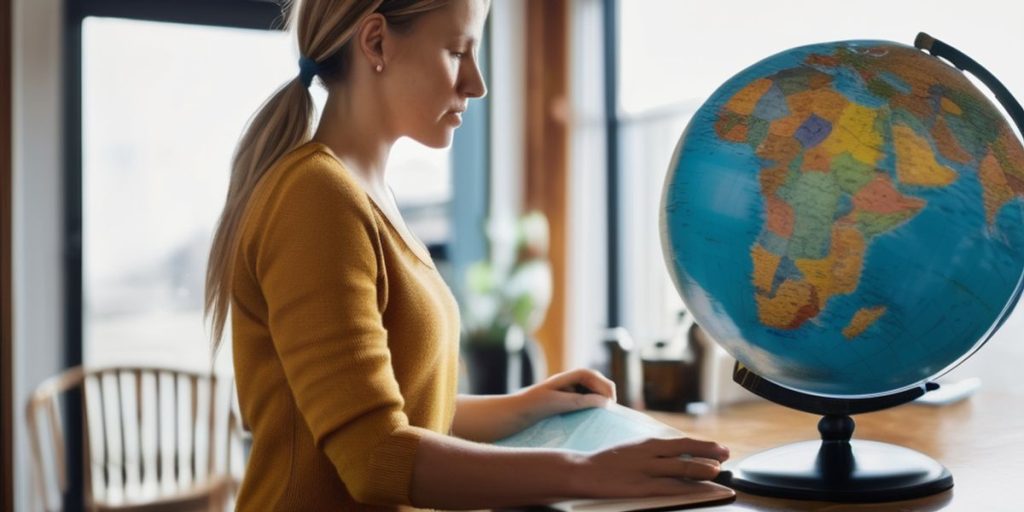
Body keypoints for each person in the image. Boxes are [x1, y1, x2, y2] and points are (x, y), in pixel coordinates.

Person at [204, 0, 729, 509]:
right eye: (458, 51)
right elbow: (373, 455)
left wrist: (527, 406)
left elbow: (399, 409)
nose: (476, 83)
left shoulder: (361, 193)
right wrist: (587, 473)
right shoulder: (316, 199)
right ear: (376, 41)